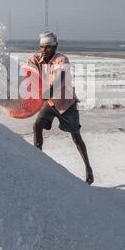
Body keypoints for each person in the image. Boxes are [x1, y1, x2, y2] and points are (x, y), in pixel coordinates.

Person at [26, 31, 94, 185]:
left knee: (76, 136)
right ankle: (38, 161)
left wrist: (47, 92)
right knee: (37, 125)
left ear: (55, 46)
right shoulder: (35, 59)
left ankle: (88, 168)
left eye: (48, 47)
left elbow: (59, 79)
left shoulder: (61, 59)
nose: (45, 50)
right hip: (49, 102)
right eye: (42, 47)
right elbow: (26, 72)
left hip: (66, 103)